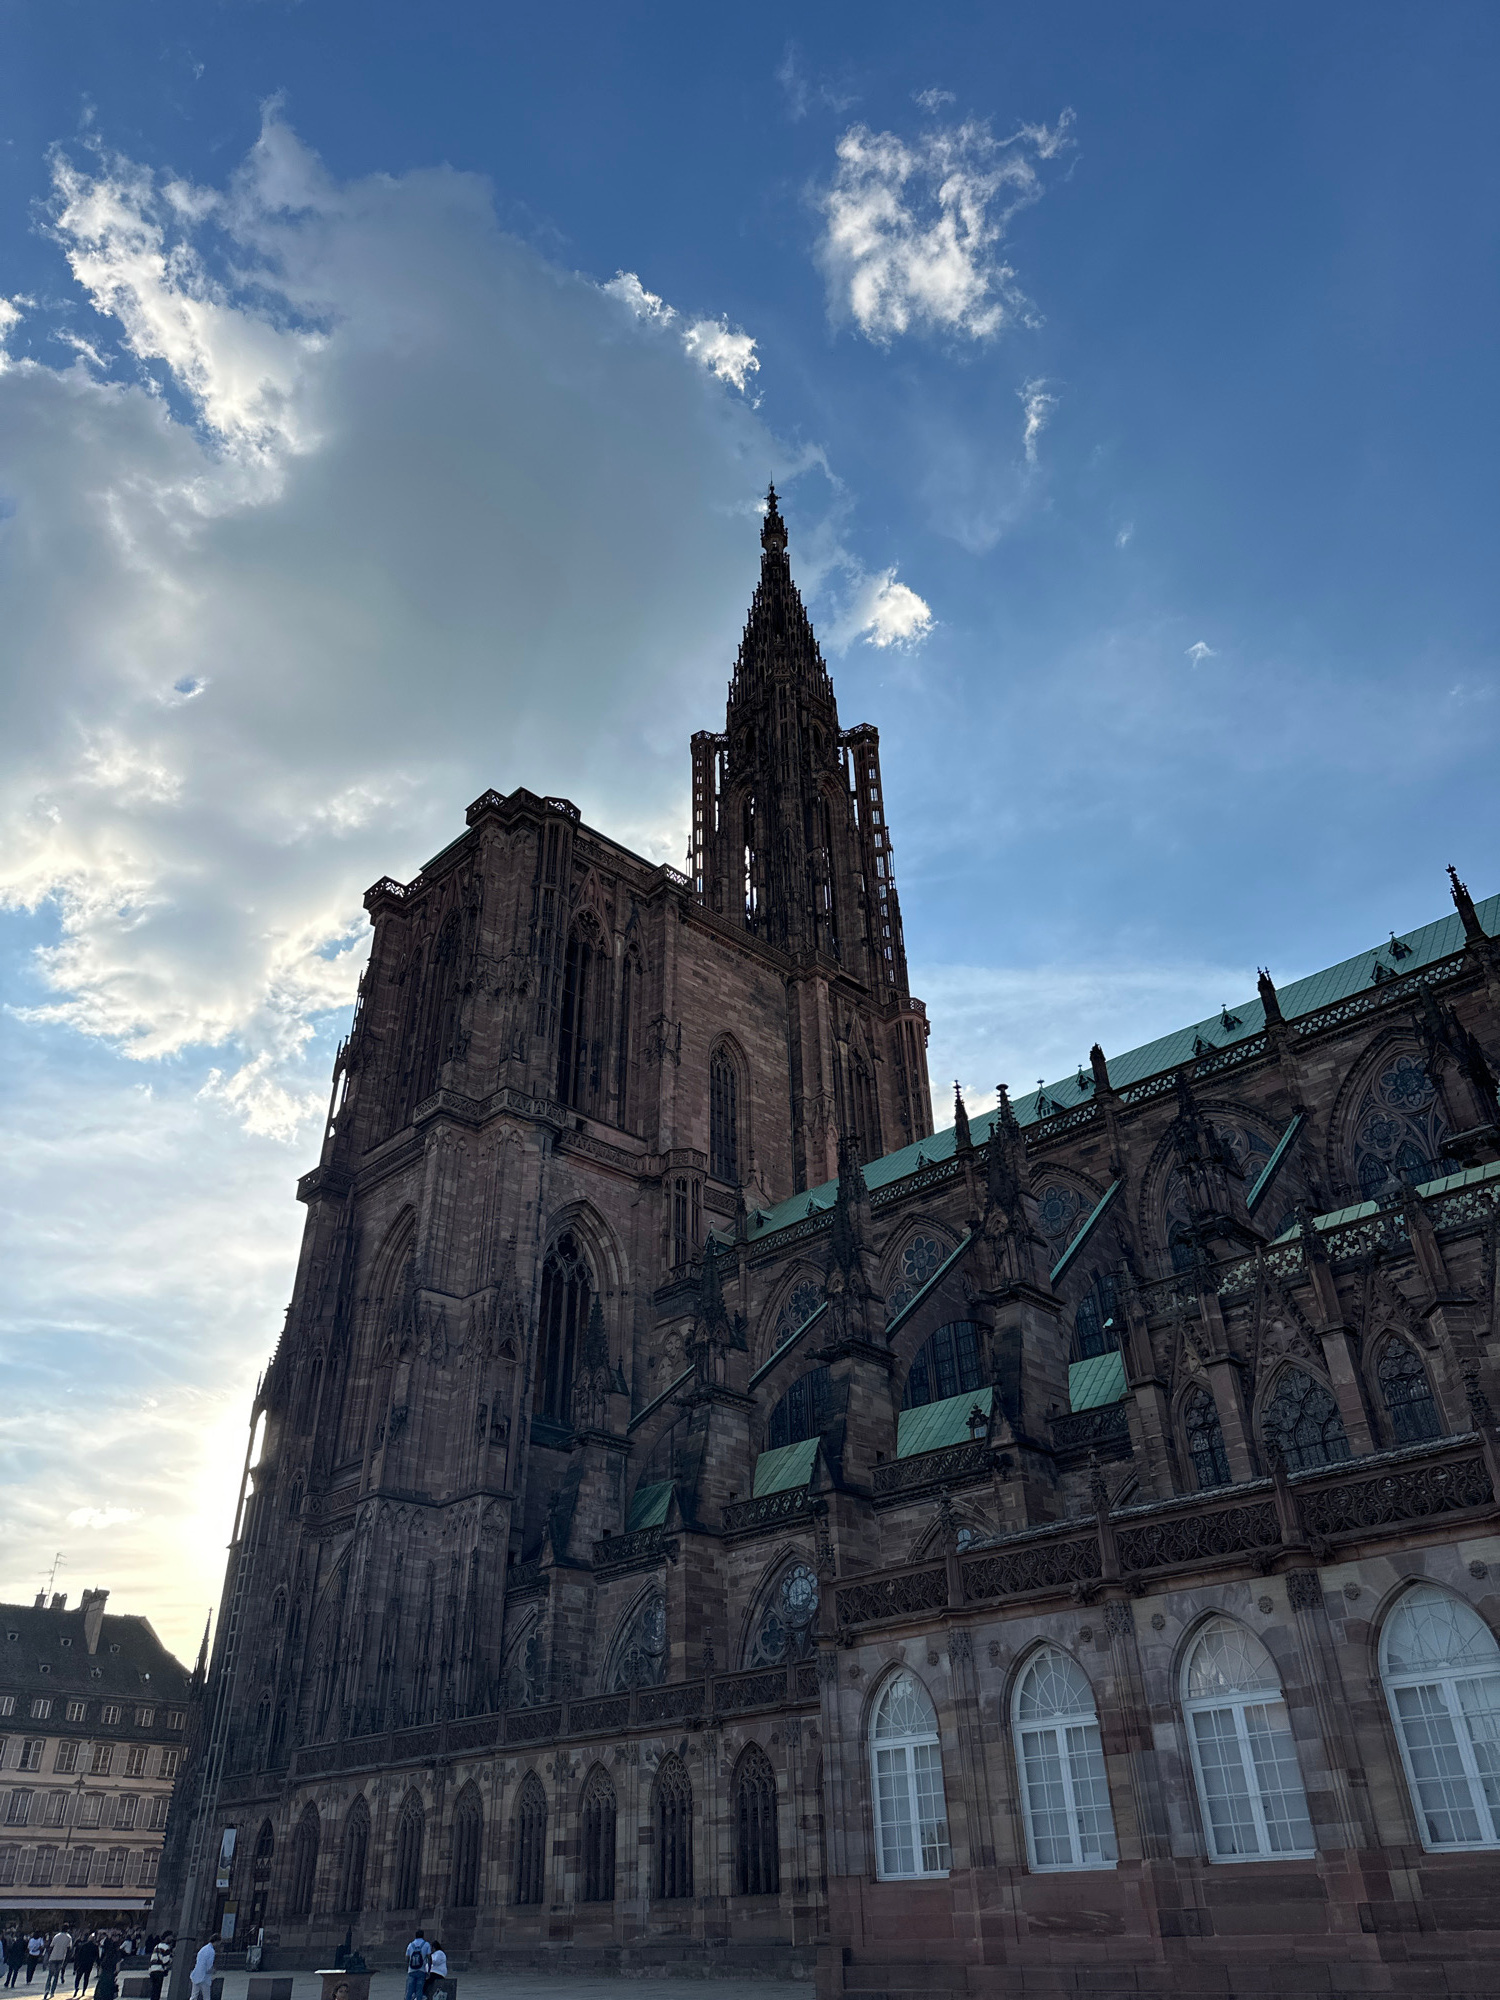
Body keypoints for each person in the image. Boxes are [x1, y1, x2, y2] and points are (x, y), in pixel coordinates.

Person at [44, 1934, 72, 2000]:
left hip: (53, 1957)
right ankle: (52, 1992)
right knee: (56, 1976)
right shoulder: (68, 1937)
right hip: (61, 1958)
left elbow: (51, 1947)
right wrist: (66, 1960)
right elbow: (69, 1949)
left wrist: (48, 1958)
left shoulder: (56, 1936)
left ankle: (47, 1989)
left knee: (50, 1975)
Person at [402, 1933, 430, 2000]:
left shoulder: (410, 1945)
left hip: (411, 1970)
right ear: (423, 1935)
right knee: (419, 1990)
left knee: (409, 1991)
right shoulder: (426, 1944)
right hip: (421, 1970)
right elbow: (429, 1957)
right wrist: (428, 1969)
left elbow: (407, 1958)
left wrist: (407, 1967)